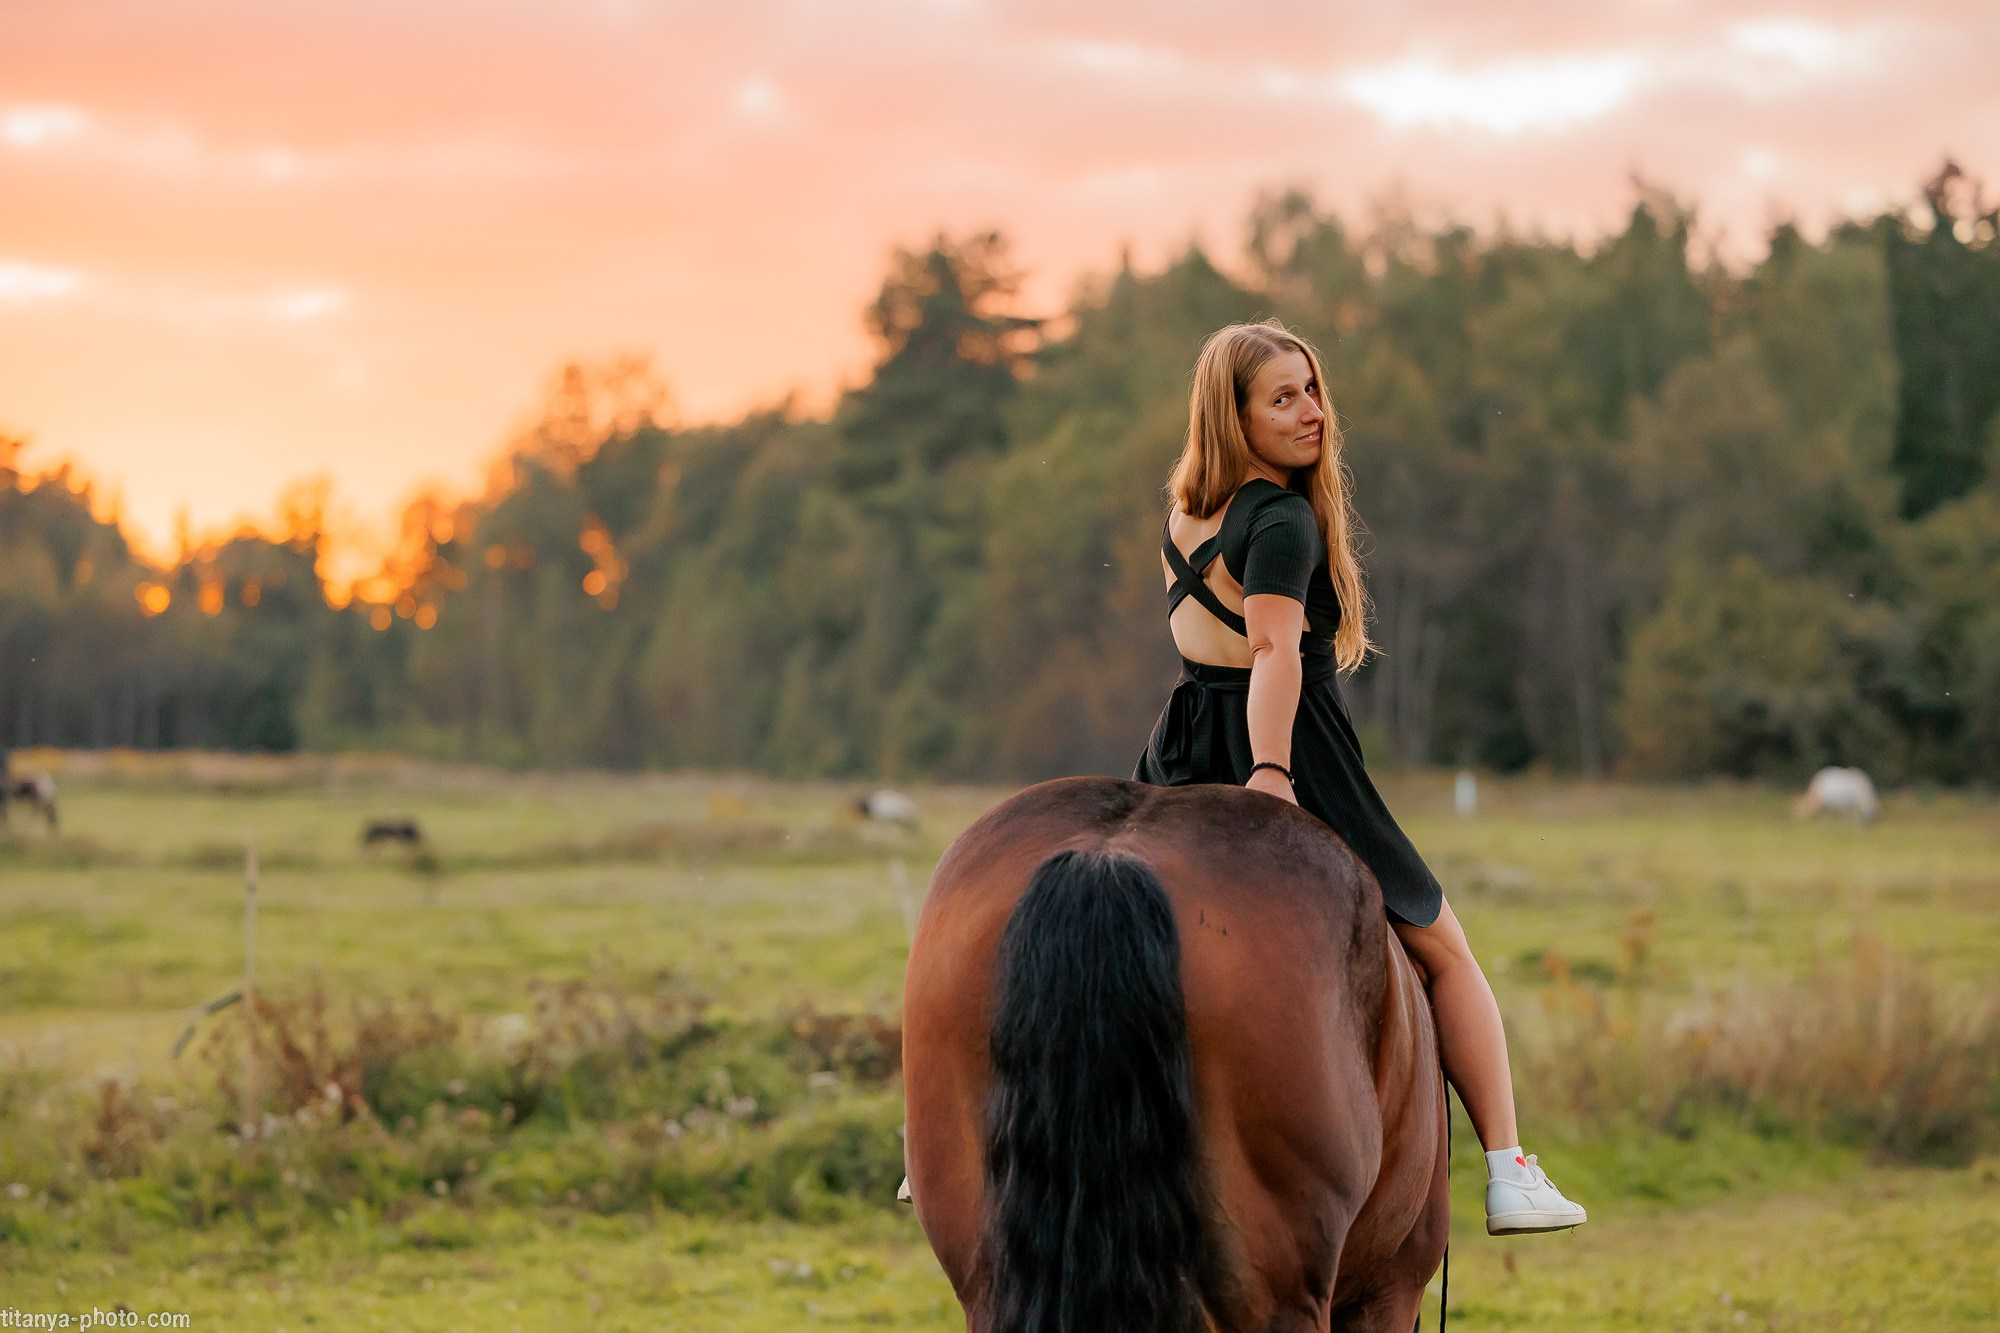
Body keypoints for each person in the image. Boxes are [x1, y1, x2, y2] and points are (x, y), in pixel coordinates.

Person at [1134, 320, 1586, 1236]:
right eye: (1283, 397)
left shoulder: (1185, 516)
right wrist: (1270, 770)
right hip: (1288, 745)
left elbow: (1214, 648)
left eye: (1313, 390)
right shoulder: (1283, 518)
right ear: (1234, 415)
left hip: (1180, 748)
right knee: (1444, 948)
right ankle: (1509, 1168)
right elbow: (1272, 651)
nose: (1312, 412)